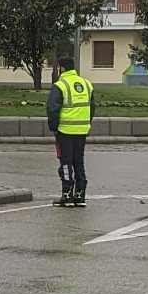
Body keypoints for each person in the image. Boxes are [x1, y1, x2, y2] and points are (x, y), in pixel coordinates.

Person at [46, 55, 95, 207]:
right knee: (78, 161)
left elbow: (52, 109)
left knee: (66, 162)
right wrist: (86, 122)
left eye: (59, 67)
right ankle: (80, 195)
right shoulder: (86, 84)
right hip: (82, 130)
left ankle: (67, 194)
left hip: (65, 130)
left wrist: (54, 127)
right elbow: (92, 107)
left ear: (62, 68)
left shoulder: (60, 85)